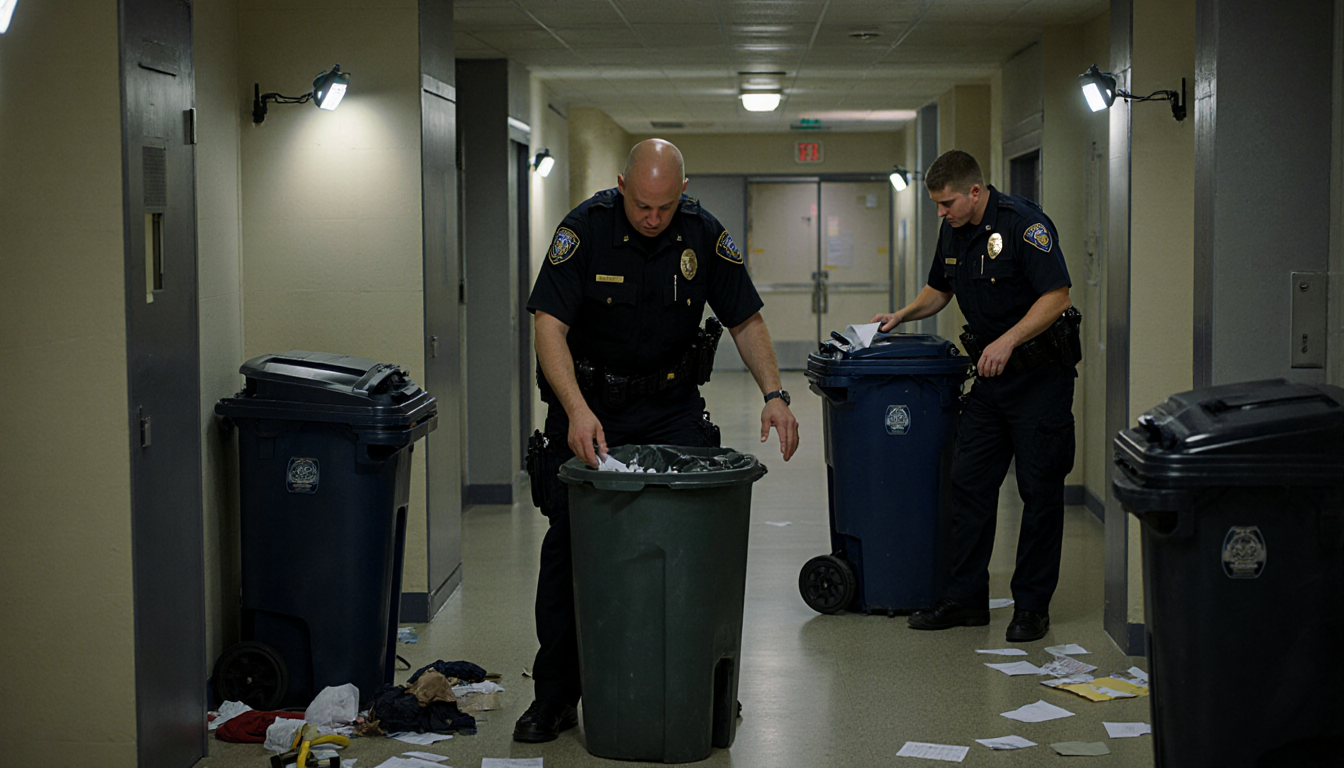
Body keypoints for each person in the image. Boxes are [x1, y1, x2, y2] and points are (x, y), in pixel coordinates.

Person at [515, 138, 799, 742]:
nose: (652, 218)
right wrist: (575, 410)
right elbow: (549, 325)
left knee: (697, 544)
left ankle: (701, 679)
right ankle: (556, 696)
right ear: (622, 186)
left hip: (670, 409)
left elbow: (744, 318)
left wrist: (775, 395)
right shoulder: (584, 230)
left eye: (665, 207)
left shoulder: (702, 233)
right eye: (642, 205)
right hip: (591, 411)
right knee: (570, 544)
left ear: (682, 194)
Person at [872, 149, 1078, 644]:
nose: (941, 213)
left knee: (1039, 492)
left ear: (975, 192)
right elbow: (938, 290)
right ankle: (965, 599)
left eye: (947, 203)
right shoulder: (954, 231)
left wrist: (1009, 339)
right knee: (968, 485)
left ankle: (1031, 607)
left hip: (1039, 381)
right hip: (992, 381)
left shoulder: (1026, 226)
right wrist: (902, 315)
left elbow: (1058, 295)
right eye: (937, 205)